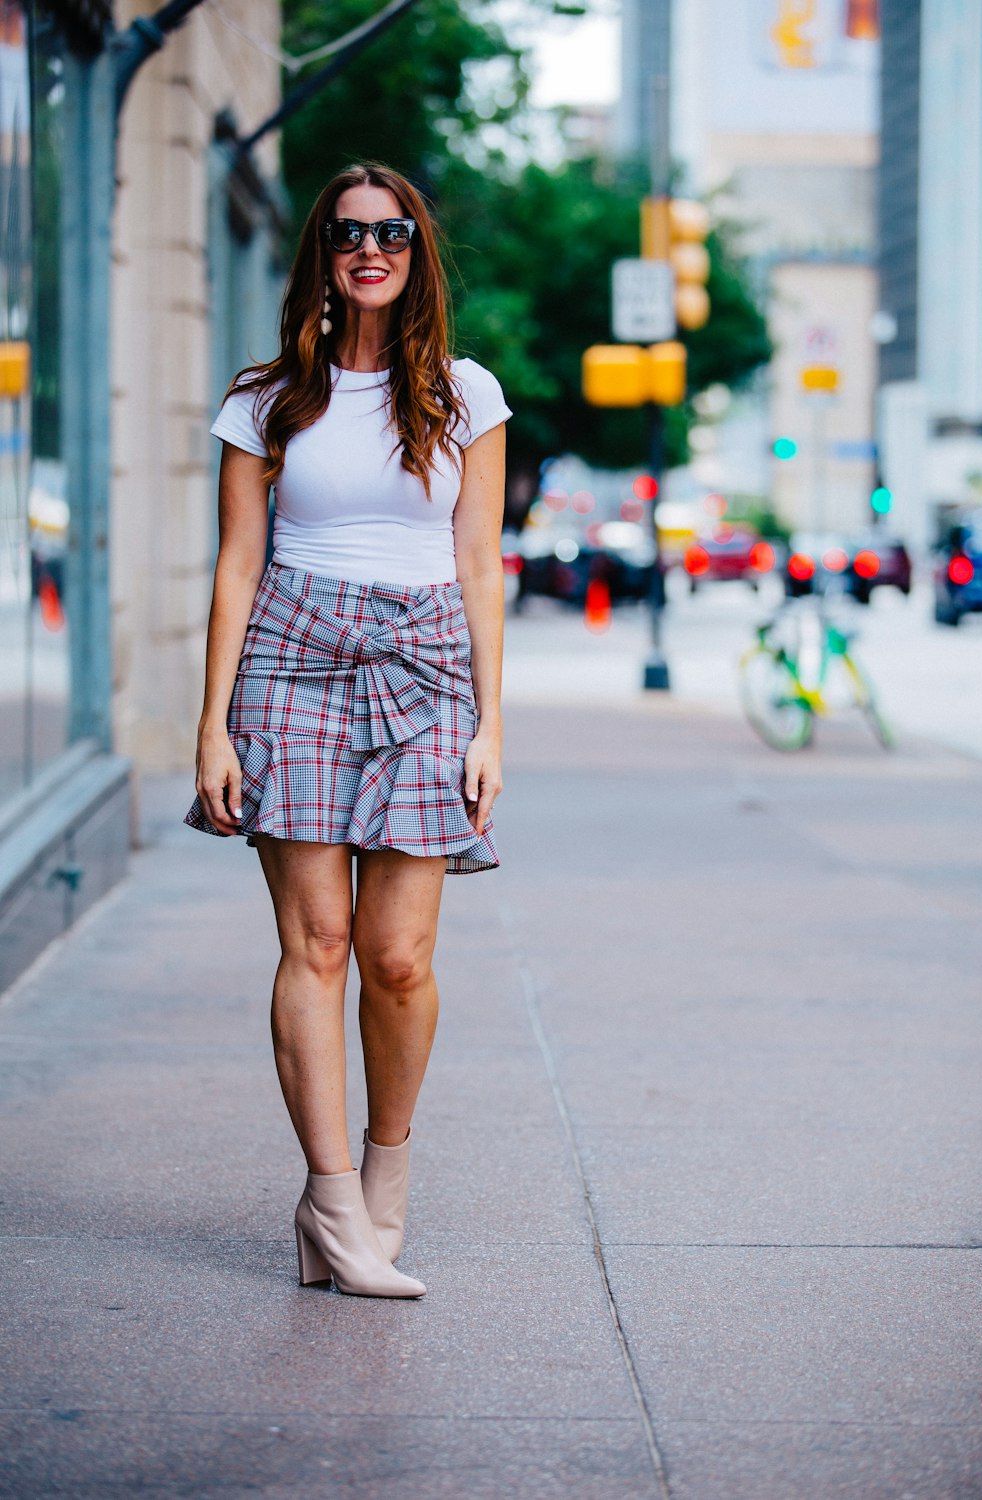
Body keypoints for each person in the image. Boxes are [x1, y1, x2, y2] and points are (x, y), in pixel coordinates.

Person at [184, 163, 510, 1300]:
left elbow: (479, 565)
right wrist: (213, 727)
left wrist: (488, 725)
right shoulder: (266, 399)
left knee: (398, 957)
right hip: (291, 663)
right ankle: (328, 1202)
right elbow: (236, 564)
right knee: (315, 944)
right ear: (320, 254)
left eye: (392, 232)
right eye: (345, 233)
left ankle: (386, 1175)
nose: (369, 249)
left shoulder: (465, 396)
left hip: (424, 671)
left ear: (417, 254)